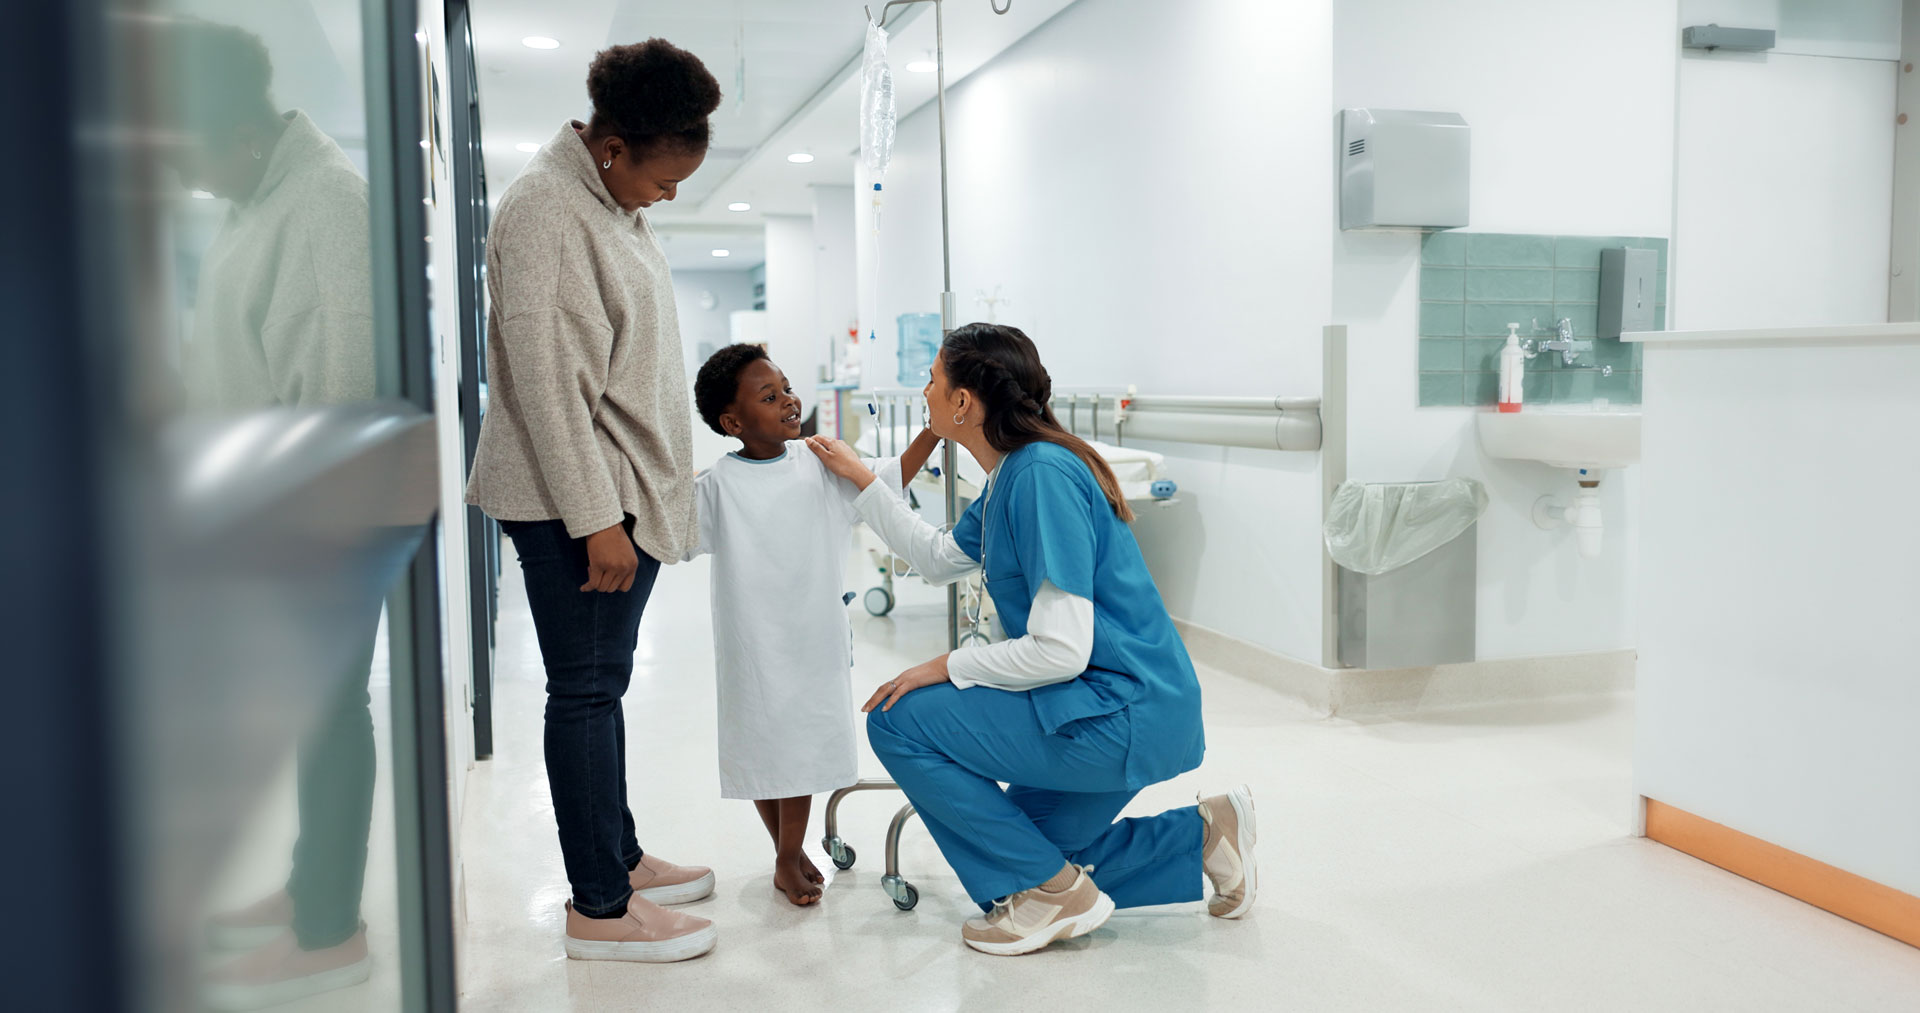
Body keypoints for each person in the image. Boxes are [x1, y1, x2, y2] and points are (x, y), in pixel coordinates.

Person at [805, 322, 1258, 956]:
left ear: (963, 403)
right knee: (1030, 855)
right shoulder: (1009, 476)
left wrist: (948, 665)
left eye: (932, 380)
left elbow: (1061, 649)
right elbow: (937, 558)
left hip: (1119, 711)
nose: (925, 390)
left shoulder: (1041, 474)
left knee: (899, 718)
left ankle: (1053, 895)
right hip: (1104, 705)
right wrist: (862, 480)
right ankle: (1204, 835)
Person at [465, 38, 720, 963]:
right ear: (612, 149)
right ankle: (600, 909)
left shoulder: (604, 200)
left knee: (600, 688)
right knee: (583, 692)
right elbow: (543, 384)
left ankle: (617, 852)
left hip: (615, 489)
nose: (672, 193)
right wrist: (596, 520)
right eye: (666, 175)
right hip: (578, 501)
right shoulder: (544, 211)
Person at [155, 17, 379, 1007]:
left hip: (313, 526)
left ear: (239, 129)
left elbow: (332, 393)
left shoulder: (326, 207)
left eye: (188, 152)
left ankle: (329, 930)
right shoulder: (257, 195)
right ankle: (304, 890)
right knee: (308, 715)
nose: (183, 174)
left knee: (330, 714)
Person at [681, 345, 938, 905]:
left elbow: (887, 478)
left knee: (795, 751)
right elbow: (672, 533)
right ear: (733, 423)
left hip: (810, 639)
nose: (789, 401)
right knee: (762, 751)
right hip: (751, 643)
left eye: (787, 388)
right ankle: (787, 854)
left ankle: (786, 856)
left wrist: (935, 432)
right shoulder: (718, 484)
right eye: (769, 397)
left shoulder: (819, 463)